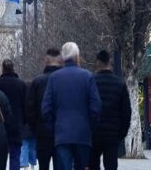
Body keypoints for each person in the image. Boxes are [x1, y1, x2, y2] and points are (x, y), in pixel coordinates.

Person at [42, 42, 102, 170]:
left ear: (62, 58)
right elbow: (96, 107)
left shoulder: (54, 78)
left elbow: (46, 108)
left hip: (62, 134)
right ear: (77, 56)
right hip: (83, 134)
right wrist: (90, 127)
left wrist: (55, 127)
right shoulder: (88, 77)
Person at [89, 50, 131, 170]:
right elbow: (126, 112)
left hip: (94, 133)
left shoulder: (91, 82)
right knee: (111, 165)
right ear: (110, 62)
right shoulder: (120, 84)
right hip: (113, 134)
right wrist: (122, 133)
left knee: (92, 164)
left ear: (97, 63)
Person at [27, 48, 63, 170]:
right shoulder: (65, 80)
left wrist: (35, 128)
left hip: (42, 133)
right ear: (60, 60)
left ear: (45, 61)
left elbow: (30, 110)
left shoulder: (37, 82)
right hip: (62, 133)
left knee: (43, 166)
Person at [0, 59, 26, 170]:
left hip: (1, 126)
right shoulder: (21, 85)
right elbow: (25, 106)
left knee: (1, 157)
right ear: (13, 68)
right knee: (15, 157)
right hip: (17, 125)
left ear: (2, 69)